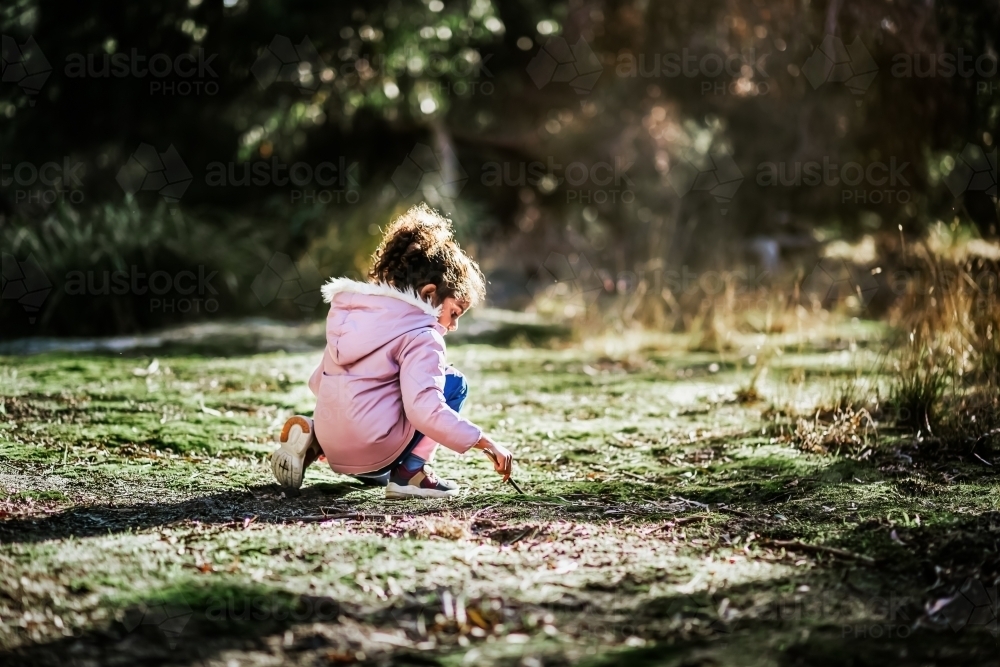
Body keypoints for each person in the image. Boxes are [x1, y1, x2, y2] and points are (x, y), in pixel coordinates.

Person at [269, 203, 514, 499]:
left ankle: (315, 435)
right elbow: (427, 410)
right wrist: (485, 442)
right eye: (454, 312)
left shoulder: (354, 315)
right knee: (453, 384)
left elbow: (317, 383)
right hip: (373, 448)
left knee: (379, 426)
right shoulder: (422, 336)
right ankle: (411, 474)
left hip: (338, 449)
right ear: (429, 294)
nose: (453, 326)